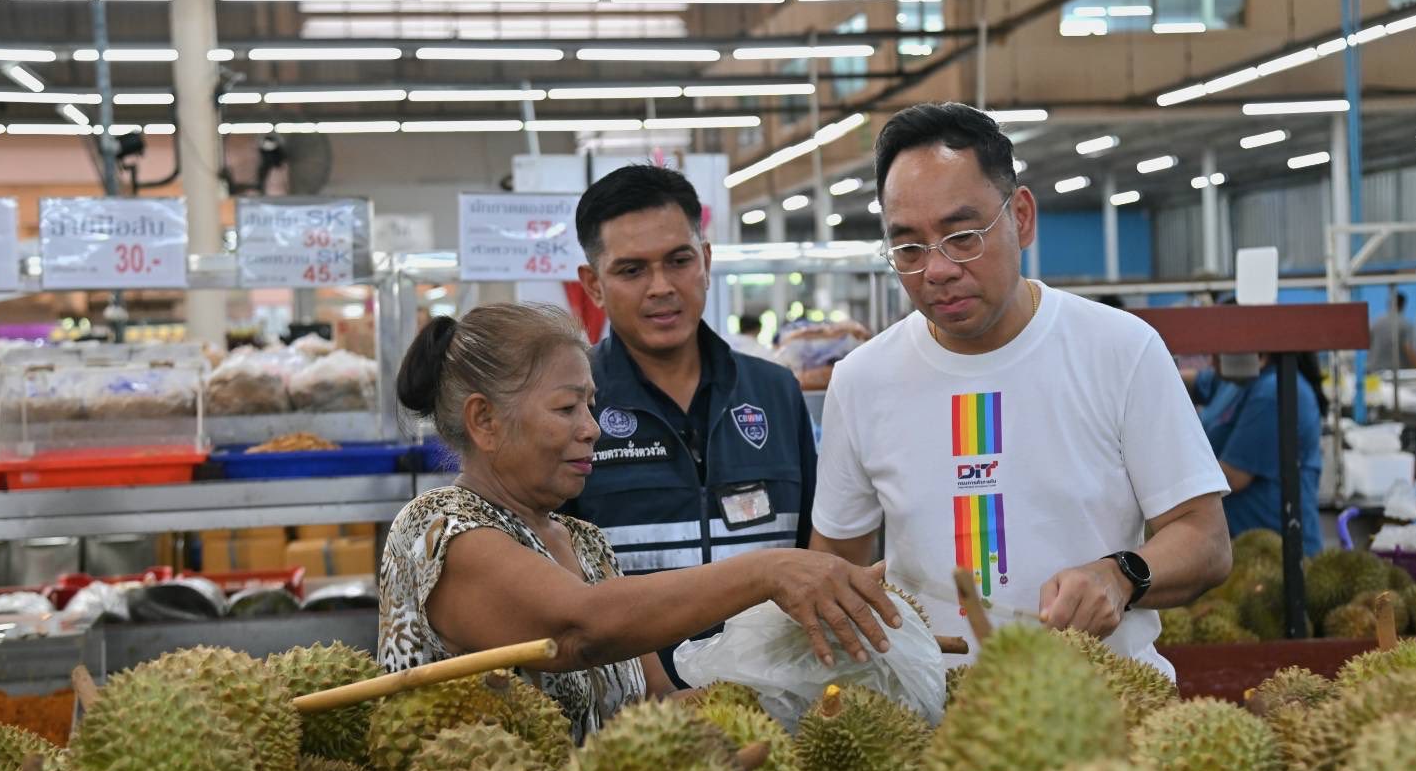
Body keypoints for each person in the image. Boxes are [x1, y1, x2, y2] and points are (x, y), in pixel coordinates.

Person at [809, 102, 1230, 676]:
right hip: (937, 724)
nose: (936, 269)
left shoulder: (1121, 350)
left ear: (1021, 217)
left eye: (962, 236)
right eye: (908, 247)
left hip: (1103, 713)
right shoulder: (862, 380)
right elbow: (836, 566)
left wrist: (1122, 574)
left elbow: (1206, 541)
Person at [378, 303, 896, 742]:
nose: (592, 429)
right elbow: (576, 630)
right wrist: (769, 571)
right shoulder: (439, 531)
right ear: (485, 421)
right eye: (566, 408)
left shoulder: (585, 544)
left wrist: (770, 707)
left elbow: (652, 697)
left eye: (591, 404)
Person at [564, 164, 821, 685]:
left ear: (705, 260)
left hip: (780, 703)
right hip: (635, 721)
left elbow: (816, 547)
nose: (661, 287)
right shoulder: (568, 407)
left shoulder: (775, 392)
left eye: (678, 261)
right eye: (632, 270)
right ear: (593, 285)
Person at [1188, 352, 1328, 555]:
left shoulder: (1274, 390)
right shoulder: (1234, 380)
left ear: (1260, 354)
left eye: (1219, 355)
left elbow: (1233, 477)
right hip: (1239, 548)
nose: (1211, 361)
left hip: (1277, 554)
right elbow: (1193, 381)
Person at [1368, 291, 1416, 372]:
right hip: (1397, 373)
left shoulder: (1376, 322)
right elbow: (1408, 349)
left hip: (1374, 371)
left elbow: (1369, 344)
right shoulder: (1405, 324)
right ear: (1403, 305)